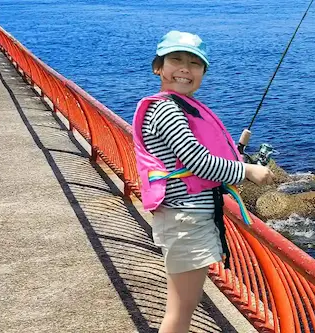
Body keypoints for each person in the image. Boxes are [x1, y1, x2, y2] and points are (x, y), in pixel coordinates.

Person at [132, 30, 274, 333]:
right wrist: (247, 171)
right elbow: (197, 161)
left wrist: (236, 152)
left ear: (203, 72)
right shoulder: (167, 109)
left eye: (194, 64)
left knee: (185, 307)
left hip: (188, 218)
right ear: (158, 66)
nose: (185, 68)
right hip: (185, 220)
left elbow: (188, 157)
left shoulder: (178, 106)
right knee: (180, 312)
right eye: (176, 60)